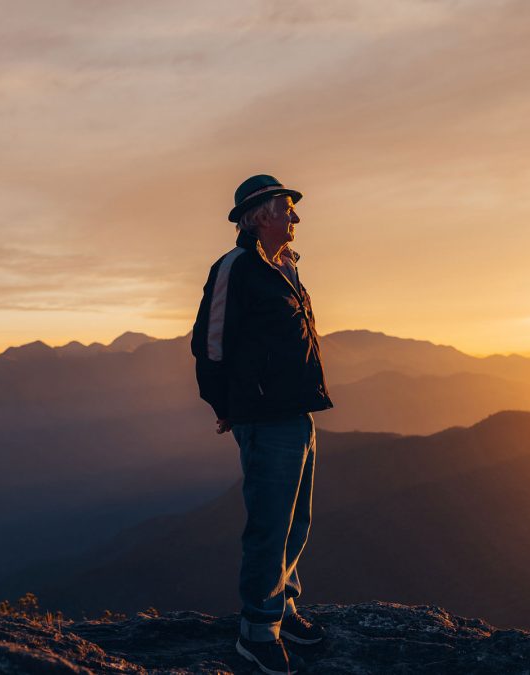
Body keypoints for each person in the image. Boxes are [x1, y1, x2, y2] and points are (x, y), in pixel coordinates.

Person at [191, 174, 334, 674]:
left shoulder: (287, 268)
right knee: (269, 524)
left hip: (297, 411)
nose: (294, 217)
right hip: (263, 417)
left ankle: (283, 607)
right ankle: (257, 630)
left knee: (297, 519)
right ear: (259, 217)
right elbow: (209, 343)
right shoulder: (236, 268)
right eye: (286, 209)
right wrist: (223, 405)